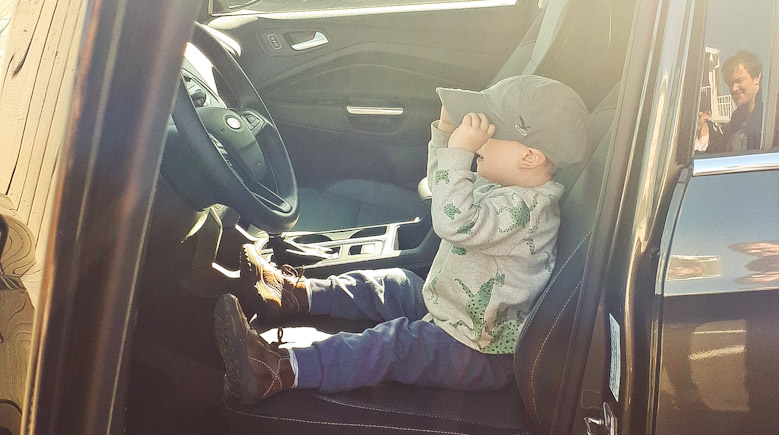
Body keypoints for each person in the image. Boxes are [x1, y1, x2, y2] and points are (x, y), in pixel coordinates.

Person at [214, 75, 590, 405]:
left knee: (393, 344)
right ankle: (293, 293)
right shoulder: (507, 182)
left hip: (479, 349)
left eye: (491, 134)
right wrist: (445, 138)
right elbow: (446, 188)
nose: (478, 143)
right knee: (391, 284)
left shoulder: (527, 212)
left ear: (529, 157)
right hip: (454, 307)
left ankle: (279, 370)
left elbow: (454, 221)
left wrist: (458, 152)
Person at [694, 89, 722, 154]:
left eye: (697, 116)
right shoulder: (681, 139)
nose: (693, 121)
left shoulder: (717, 138)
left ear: (707, 114)